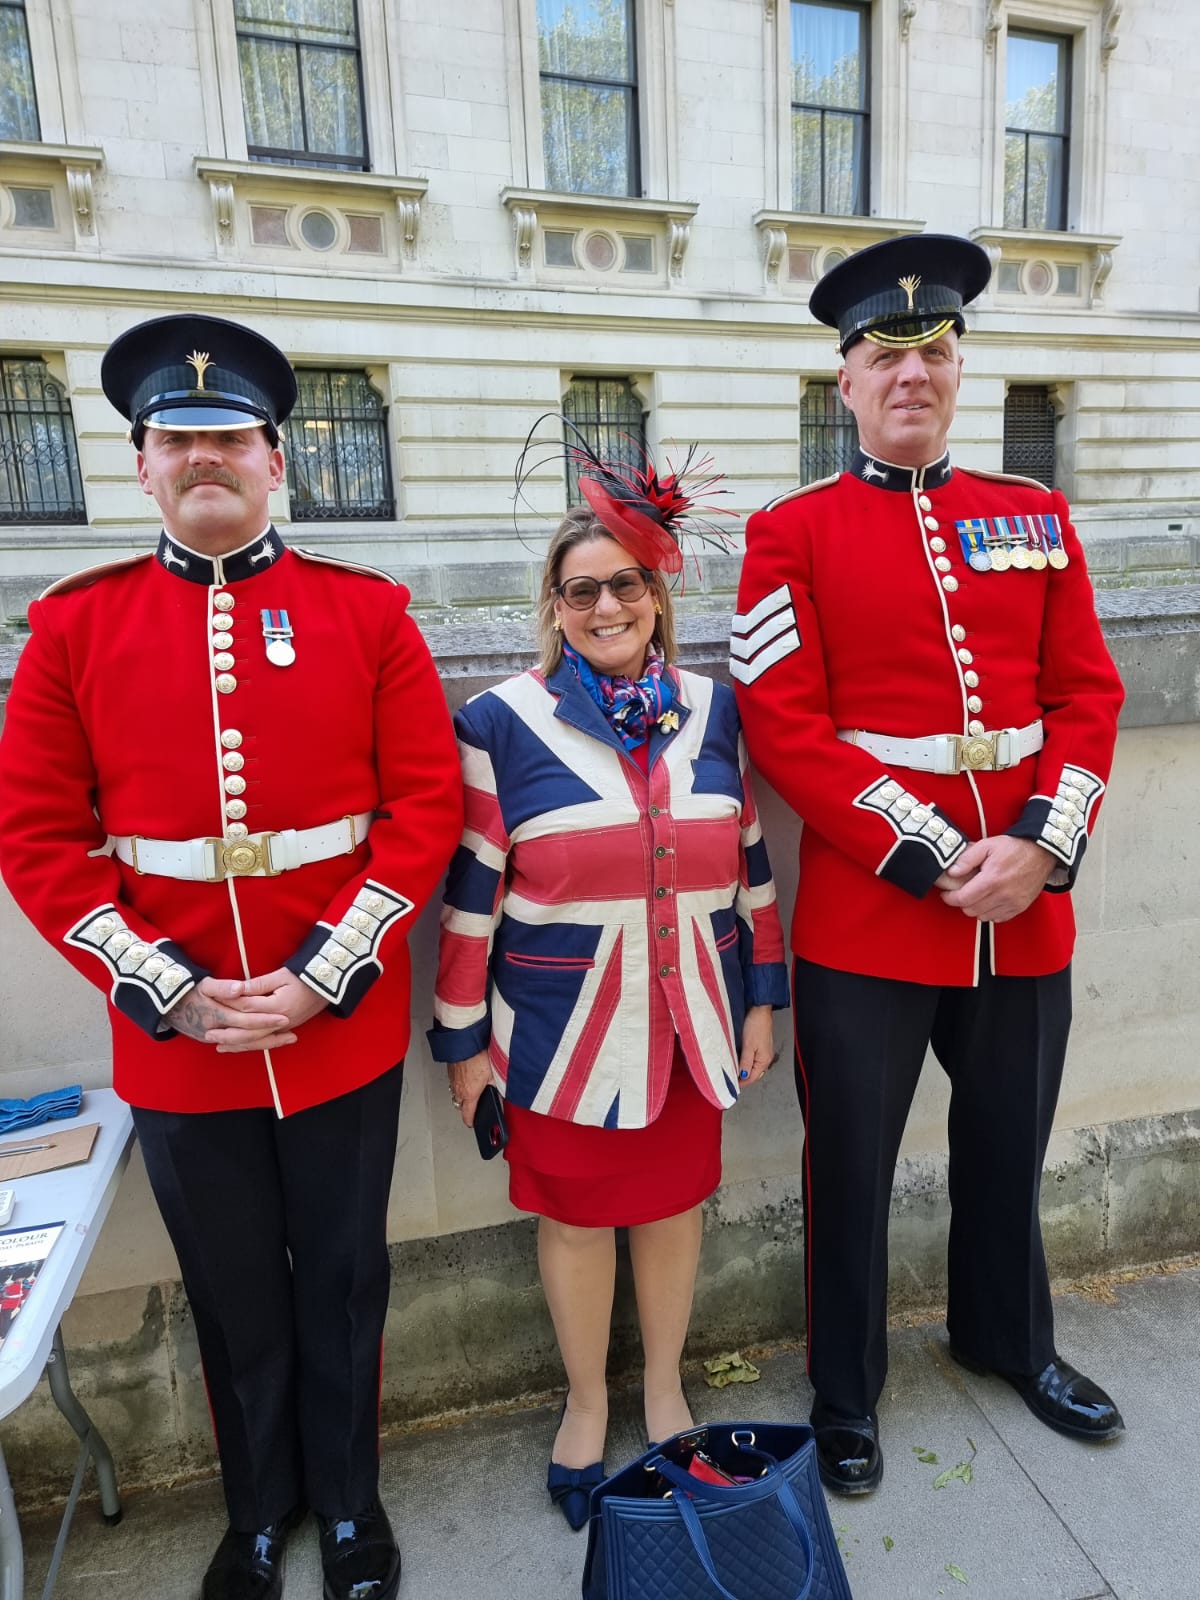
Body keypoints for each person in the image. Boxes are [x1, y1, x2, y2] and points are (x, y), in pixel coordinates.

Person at [0, 313, 463, 1600]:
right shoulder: (76, 630)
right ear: (141, 464)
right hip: (181, 1041)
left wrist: (326, 969)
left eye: (230, 438)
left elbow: (423, 807)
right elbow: (40, 843)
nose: (206, 456)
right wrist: (169, 988)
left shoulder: (363, 613)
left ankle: (353, 1506)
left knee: (349, 1276)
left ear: (275, 459)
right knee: (231, 1292)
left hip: (339, 1021)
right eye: (178, 439)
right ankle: (258, 1510)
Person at [730, 235, 1126, 1495]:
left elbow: (1087, 693)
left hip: (1024, 907)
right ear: (843, 381)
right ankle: (846, 1388)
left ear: (960, 372)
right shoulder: (789, 531)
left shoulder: (1035, 515)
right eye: (887, 355)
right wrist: (943, 849)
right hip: (875, 910)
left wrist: (1041, 845)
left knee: (1009, 1144)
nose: (915, 374)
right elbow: (782, 724)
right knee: (850, 1164)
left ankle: (1007, 1335)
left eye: (936, 353)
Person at [428, 440, 789, 1529]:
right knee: (577, 1224)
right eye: (580, 588)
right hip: (561, 1036)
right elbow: (470, 899)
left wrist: (763, 997)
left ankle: (665, 1387)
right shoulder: (502, 723)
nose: (605, 604)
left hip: (691, 1026)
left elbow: (754, 868)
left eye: (626, 581)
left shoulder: (715, 709)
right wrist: (462, 1048)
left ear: (657, 589)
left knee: (675, 1208)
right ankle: (586, 1403)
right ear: (553, 606)